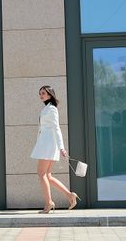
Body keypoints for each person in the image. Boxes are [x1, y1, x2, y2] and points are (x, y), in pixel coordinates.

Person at [30, 85, 80, 213]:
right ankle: (70, 195)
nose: (41, 95)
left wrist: (62, 147)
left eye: (44, 93)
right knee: (48, 175)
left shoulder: (52, 109)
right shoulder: (46, 108)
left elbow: (57, 128)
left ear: (50, 95)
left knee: (41, 174)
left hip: (48, 144)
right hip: (45, 144)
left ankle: (49, 203)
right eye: (40, 93)